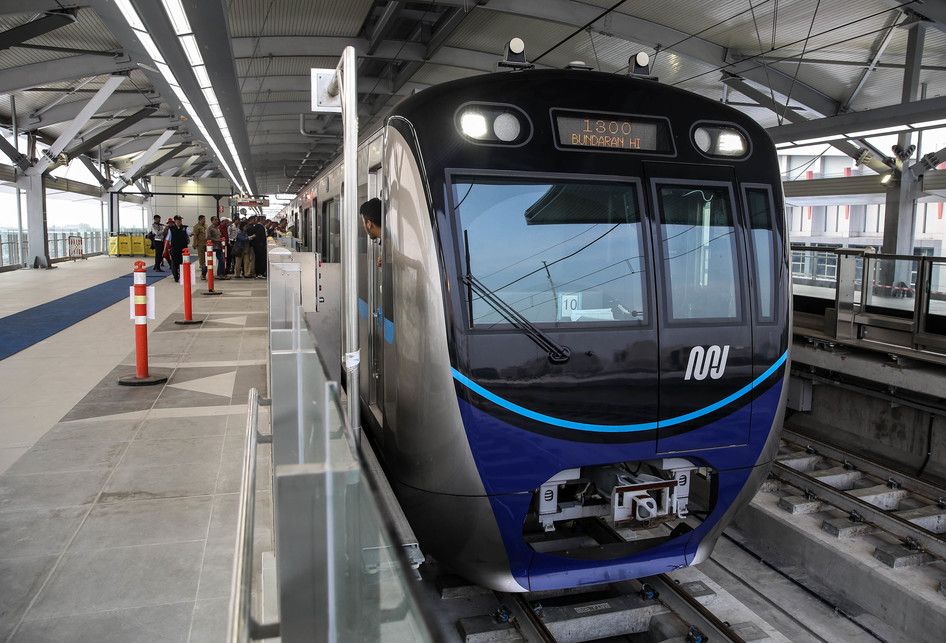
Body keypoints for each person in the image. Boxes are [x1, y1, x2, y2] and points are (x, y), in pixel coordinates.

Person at [360, 198, 383, 268]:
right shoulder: (386, 241)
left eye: (363, 223)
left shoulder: (390, 243)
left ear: (369, 224)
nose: (363, 226)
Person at [167, 216, 189, 282]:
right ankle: (176, 277)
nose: (179, 221)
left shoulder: (185, 228)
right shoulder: (171, 229)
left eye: (180, 220)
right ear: (175, 221)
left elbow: (190, 233)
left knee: (183, 263)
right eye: (178, 220)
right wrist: (165, 249)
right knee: (174, 263)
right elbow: (167, 240)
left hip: (183, 249)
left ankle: (182, 276)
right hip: (174, 249)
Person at [247, 215, 267, 279]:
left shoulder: (256, 226)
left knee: (258, 259)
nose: (265, 221)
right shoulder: (260, 226)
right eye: (264, 220)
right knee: (260, 259)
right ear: (261, 220)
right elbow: (259, 237)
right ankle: (260, 273)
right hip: (260, 246)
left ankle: (258, 273)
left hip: (257, 246)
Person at [191, 214, 207, 279]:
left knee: (207, 259)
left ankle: (205, 271)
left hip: (206, 245)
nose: (204, 221)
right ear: (200, 220)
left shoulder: (205, 226)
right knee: (202, 259)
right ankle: (203, 274)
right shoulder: (196, 227)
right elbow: (195, 236)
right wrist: (194, 244)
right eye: (203, 219)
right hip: (200, 245)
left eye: (205, 219)